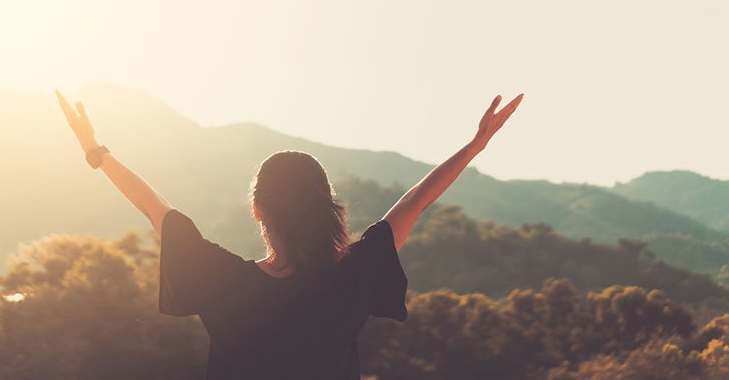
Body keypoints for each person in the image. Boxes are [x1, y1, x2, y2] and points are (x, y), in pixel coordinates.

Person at [56, 91, 523, 379]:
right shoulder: (352, 277)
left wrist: (96, 152)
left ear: (258, 210)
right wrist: (477, 144)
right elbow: (415, 203)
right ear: (328, 208)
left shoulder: (224, 281)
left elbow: (156, 211)